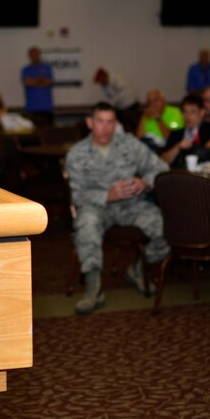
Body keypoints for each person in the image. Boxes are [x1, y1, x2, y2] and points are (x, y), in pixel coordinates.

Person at [66, 102, 169, 315]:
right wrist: (107, 195)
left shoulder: (129, 144)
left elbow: (160, 168)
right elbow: (78, 195)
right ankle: (94, 288)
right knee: (86, 224)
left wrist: (145, 182)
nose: (105, 128)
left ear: (116, 124)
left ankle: (138, 269)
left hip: (131, 205)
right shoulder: (77, 153)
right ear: (90, 123)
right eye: (100, 122)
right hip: (97, 207)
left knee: (166, 228)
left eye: (110, 122)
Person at [161, 94, 210, 168]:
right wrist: (178, 146)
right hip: (180, 174)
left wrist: (193, 147)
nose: (188, 116)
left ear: (202, 112)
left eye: (193, 112)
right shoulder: (177, 133)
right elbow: (164, 160)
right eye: (185, 112)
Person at [21, 46, 54, 127]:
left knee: (48, 133)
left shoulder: (47, 68)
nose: (35, 56)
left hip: (47, 109)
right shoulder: (26, 69)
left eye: (37, 54)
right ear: (29, 56)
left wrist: (34, 81)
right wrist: (41, 81)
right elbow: (27, 82)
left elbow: (49, 82)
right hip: (32, 109)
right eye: (33, 54)